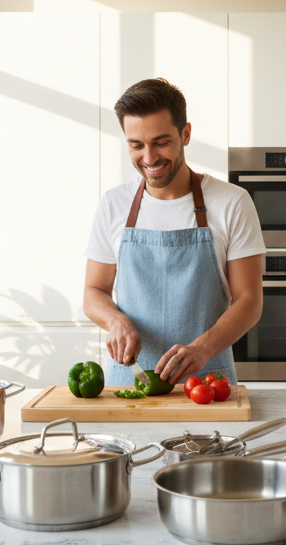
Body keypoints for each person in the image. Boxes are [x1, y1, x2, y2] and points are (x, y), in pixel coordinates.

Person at [84, 78, 265, 388]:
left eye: (161, 141)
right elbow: (93, 292)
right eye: (136, 145)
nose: (149, 157)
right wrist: (116, 321)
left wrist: (202, 349)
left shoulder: (232, 202)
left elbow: (249, 301)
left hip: (208, 386)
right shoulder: (114, 204)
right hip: (129, 385)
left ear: (186, 134)